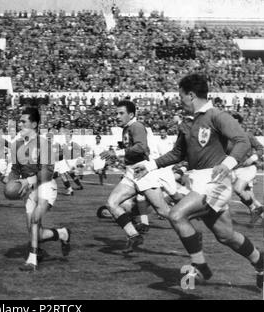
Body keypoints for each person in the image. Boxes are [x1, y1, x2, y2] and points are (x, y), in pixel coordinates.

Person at [133, 74, 263, 289]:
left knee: (176, 214)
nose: (179, 100)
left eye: (181, 95)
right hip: (198, 182)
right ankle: (261, 263)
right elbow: (177, 153)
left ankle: (200, 264)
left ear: (190, 95)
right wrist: (149, 165)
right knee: (226, 236)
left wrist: (228, 164)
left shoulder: (217, 116)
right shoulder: (187, 123)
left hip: (216, 181)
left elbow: (242, 142)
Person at [100, 100, 172, 253]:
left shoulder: (136, 126)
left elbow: (141, 147)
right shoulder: (126, 128)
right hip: (132, 173)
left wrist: (117, 153)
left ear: (131, 114)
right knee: (112, 203)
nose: (117, 116)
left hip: (143, 173)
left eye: (121, 113)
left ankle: (190, 230)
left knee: (163, 211)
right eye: (116, 113)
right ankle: (134, 236)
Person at [9, 107, 71, 271]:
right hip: (29, 190)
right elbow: (15, 170)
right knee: (35, 231)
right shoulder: (16, 145)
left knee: (35, 219)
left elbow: (48, 172)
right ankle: (62, 233)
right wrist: (11, 183)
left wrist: (28, 180)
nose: (19, 124)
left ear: (34, 124)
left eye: (23, 121)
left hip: (45, 186)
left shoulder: (44, 144)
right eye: (19, 121)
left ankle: (32, 259)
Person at [229, 114, 264, 225]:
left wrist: (253, 157)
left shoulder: (247, 135)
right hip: (235, 170)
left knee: (238, 189)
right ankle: (260, 213)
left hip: (248, 168)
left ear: (240, 123)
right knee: (249, 195)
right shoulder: (226, 138)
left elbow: (260, 148)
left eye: (234, 122)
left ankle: (255, 209)